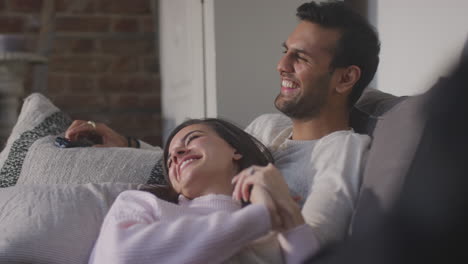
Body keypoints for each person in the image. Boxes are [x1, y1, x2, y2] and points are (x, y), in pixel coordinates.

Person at [69, 1, 379, 252]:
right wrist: (129, 146)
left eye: (300, 58)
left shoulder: (342, 149)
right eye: (285, 51)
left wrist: (275, 204)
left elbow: (313, 246)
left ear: (345, 78)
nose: (281, 66)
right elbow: (207, 159)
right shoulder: (268, 128)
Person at [89, 118, 317, 264]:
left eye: (193, 138)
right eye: (169, 159)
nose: (176, 153)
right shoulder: (141, 203)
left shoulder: (272, 225)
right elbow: (121, 257)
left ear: (234, 150)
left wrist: (288, 215)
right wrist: (263, 214)